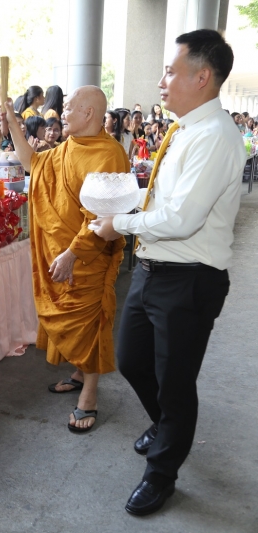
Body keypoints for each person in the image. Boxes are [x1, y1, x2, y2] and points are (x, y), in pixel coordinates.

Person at [91, 29, 242, 517]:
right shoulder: (182, 130)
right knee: (132, 359)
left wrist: (119, 224)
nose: (161, 81)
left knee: (175, 382)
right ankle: (168, 427)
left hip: (189, 278)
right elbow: (165, 201)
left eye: (170, 71)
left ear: (202, 77)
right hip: (155, 270)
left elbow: (182, 219)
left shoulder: (216, 136)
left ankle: (162, 473)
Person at [5, 86, 128, 437]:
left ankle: (89, 395)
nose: (62, 114)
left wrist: (73, 254)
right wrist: (13, 123)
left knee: (88, 324)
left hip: (87, 257)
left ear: (88, 113)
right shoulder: (67, 148)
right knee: (69, 321)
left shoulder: (110, 155)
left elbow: (103, 217)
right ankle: (78, 374)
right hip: (59, 253)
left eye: (70, 108)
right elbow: (33, 164)